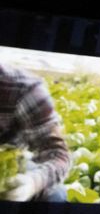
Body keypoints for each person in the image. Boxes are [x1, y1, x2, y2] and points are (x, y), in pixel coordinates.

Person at [0, 63, 70, 202]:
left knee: (55, 196)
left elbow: (57, 155)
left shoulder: (22, 89)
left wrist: (32, 183)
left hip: (5, 170)